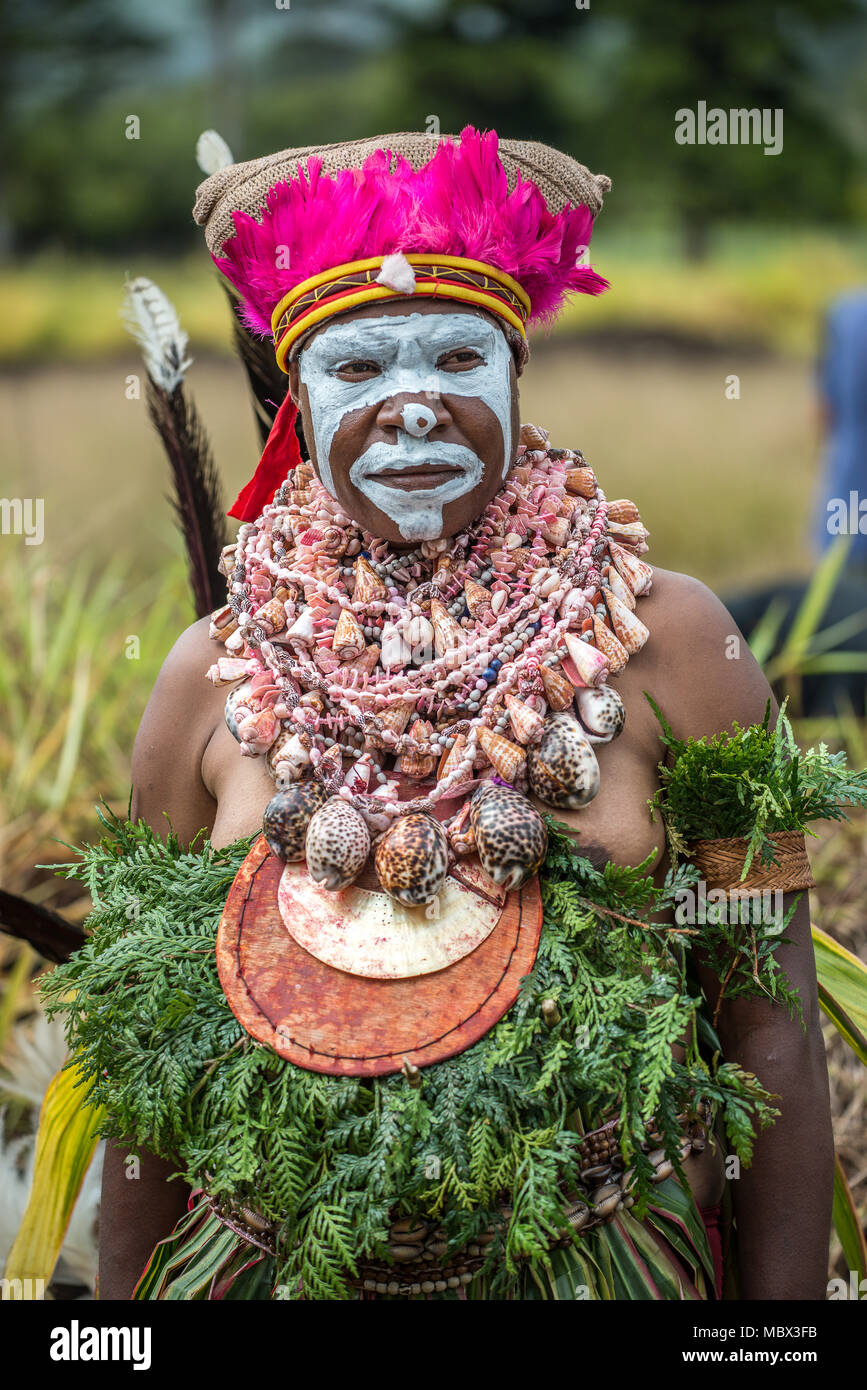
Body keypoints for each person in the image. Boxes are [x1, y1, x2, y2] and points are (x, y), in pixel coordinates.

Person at [97, 128, 832, 1300]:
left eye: (455, 356)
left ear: (516, 374)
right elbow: (139, 1056)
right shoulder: (210, 672)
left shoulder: (683, 646)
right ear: (294, 397)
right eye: (357, 370)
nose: (414, 408)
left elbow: (773, 1013)